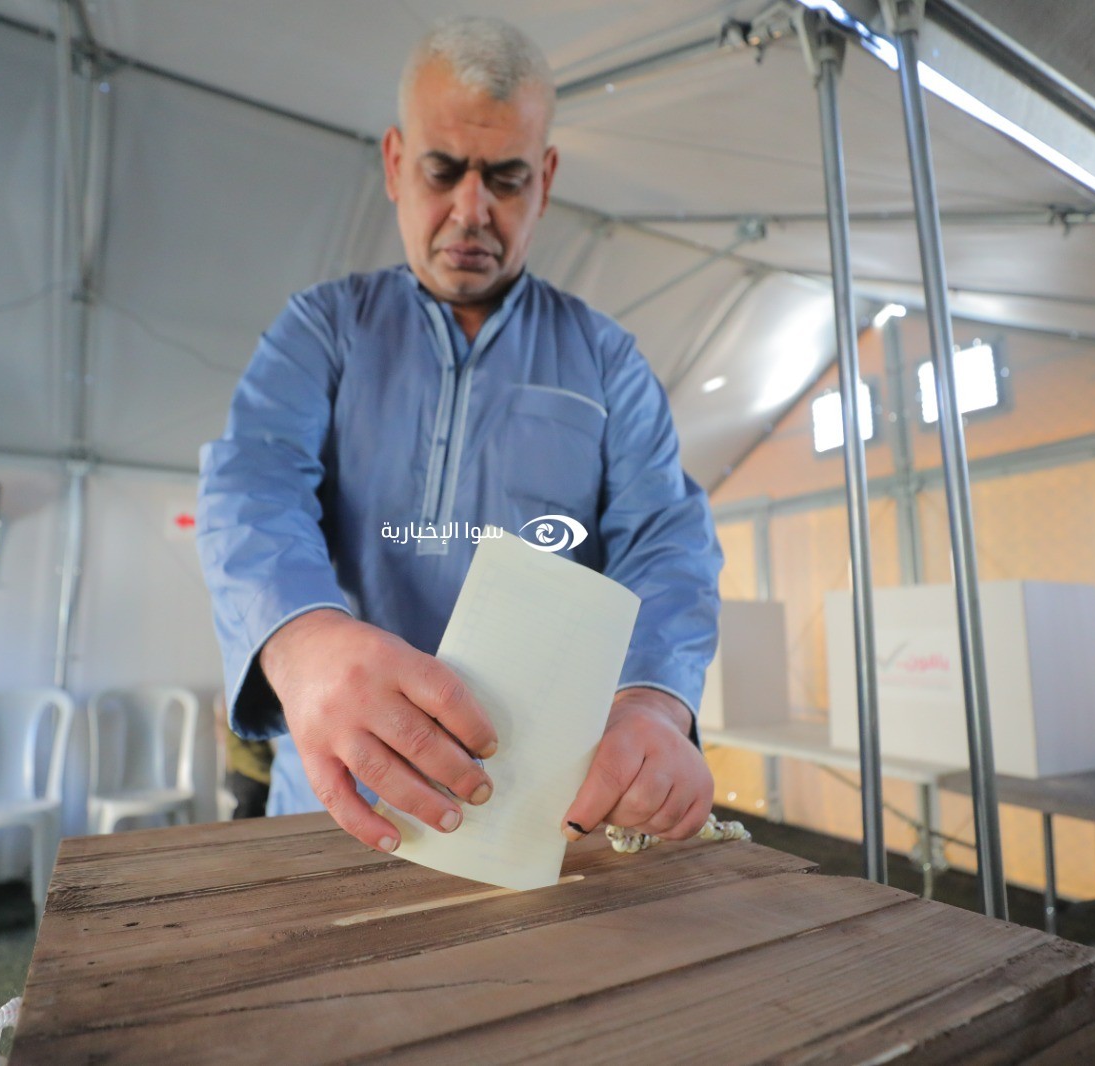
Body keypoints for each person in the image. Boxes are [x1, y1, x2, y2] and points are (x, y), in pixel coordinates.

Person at [198, 16, 722, 855]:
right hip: (337, 805)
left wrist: (653, 703)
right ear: (395, 163)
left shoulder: (605, 361)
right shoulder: (323, 331)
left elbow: (665, 542)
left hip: (545, 816)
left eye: (507, 178)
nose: (471, 210)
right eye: (442, 170)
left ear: (546, 180)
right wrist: (303, 641)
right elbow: (252, 488)